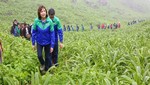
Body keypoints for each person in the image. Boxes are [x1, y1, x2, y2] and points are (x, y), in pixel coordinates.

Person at [32, 5, 55, 71]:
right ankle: (43, 64)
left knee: (48, 57)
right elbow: (34, 32)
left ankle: (46, 71)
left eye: (44, 11)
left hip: (48, 42)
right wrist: (33, 43)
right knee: (39, 55)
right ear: (39, 13)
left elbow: (52, 34)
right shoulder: (36, 21)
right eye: (41, 11)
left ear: (46, 12)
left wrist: (52, 45)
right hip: (39, 42)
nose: (43, 13)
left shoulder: (49, 21)